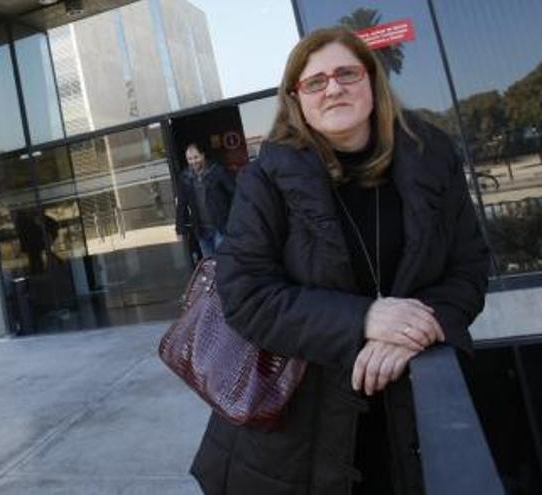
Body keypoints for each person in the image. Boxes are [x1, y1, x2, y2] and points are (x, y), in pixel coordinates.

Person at [189, 27, 489, 494]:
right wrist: (365, 319)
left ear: (371, 80)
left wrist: (413, 330)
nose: (333, 88)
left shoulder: (432, 155)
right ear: (297, 98)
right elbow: (245, 293)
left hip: (415, 409)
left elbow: (469, 270)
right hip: (296, 433)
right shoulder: (267, 175)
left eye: (347, 73)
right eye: (315, 81)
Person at [176, 143, 235, 258]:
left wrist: (235, 219)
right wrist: (180, 228)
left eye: (196, 157)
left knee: (223, 261)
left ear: (202, 156)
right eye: (190, 159)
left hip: (221, 227)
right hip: (201, 230)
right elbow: (182, 204)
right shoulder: (184, 178)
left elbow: (234, 192)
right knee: (209, 265)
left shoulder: (216, 170)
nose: (193, 161)